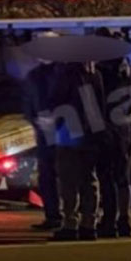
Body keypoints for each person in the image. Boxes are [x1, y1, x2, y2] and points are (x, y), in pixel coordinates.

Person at [43, 61, 106, 241]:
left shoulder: (66, 74)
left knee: (68, 180)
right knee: (89, 179)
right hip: (90, 133)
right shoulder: (95, 74)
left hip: (69, 132)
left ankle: (70, 224)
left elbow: (56, 101)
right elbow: (100, 105)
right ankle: (89, 224)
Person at [95, 55, 131, 237]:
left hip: (106, 131)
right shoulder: (128, 74)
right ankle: (124, 220)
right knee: (122, 177)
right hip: (122, 130)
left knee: (106, 178)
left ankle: (109, 221)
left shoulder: (101, 74)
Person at [21, 59, 60, 229]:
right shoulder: (34, 76)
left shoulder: (63, 73)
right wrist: (35, 121)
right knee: (47, 176)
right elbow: (28, 102)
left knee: (63, 177)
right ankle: (53, 216)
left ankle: (65, 217)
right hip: (45, 134)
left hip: (61, 133)